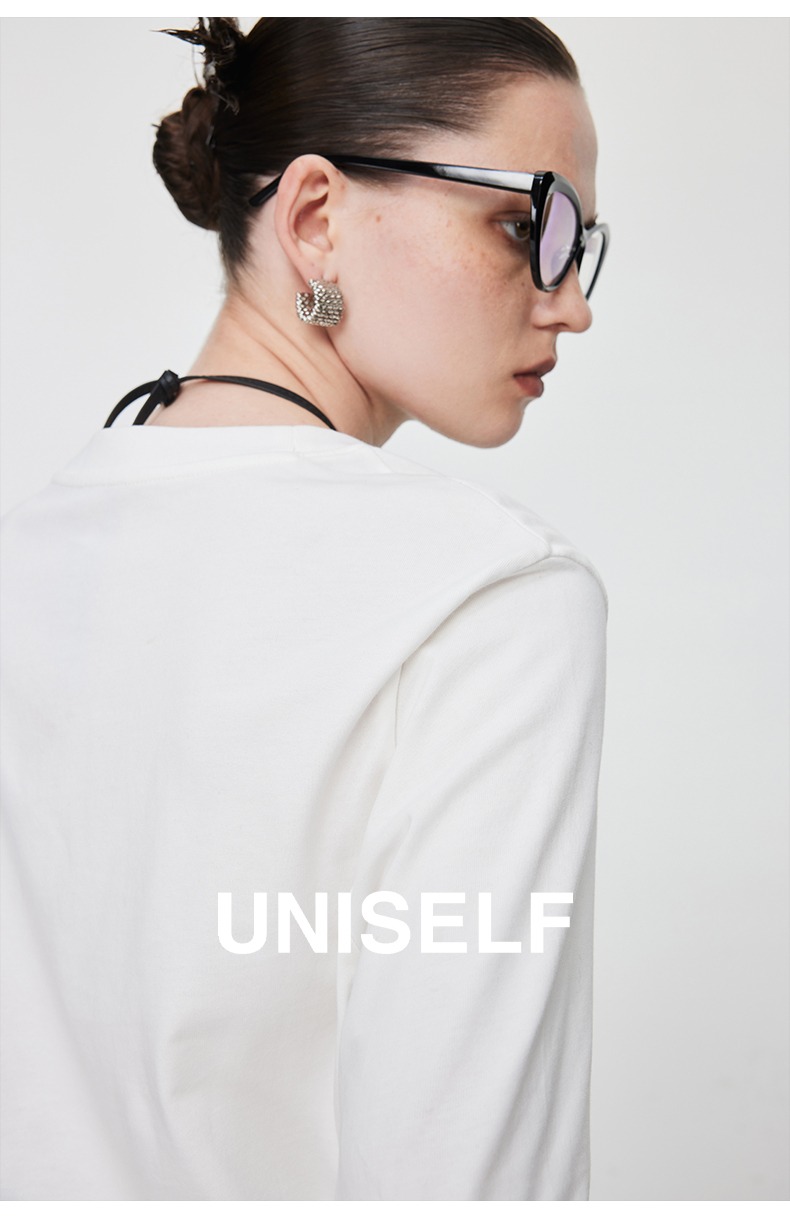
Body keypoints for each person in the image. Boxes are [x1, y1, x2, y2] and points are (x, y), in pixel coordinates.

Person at [0, 18, 609, 1201]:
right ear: (317, 216)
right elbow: (459, 1175)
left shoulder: (25, 556)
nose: (571, 302)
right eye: (529, 226)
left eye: (582, 246)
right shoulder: (486, 600)